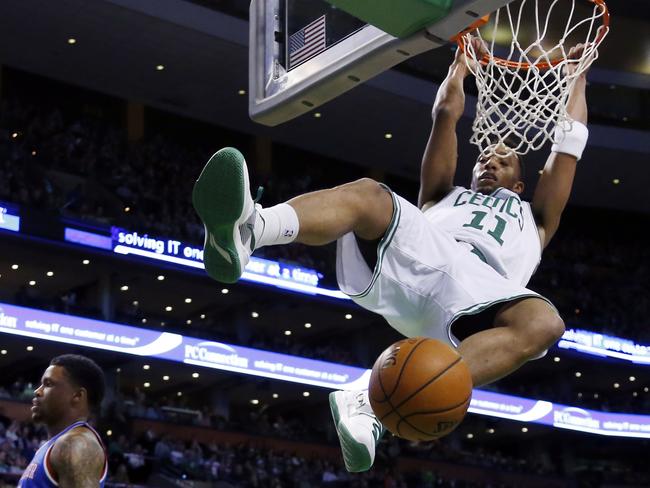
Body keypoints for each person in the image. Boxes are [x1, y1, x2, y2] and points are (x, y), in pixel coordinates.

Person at [192, 38, 591, 472]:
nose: (489, 163)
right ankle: (250, 231)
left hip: (480, 294)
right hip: (419, 262)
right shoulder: (444, 195)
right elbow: (445, 116)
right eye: (484, 159)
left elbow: (567, 147)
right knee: (368, 195)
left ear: (519, 184)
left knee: (545, 323)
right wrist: (459, 67)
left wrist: (578, 74)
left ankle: (369, 402)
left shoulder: (536, 218)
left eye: (504, 162)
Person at [18, 354, 108, 487]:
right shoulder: (56, 444)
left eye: (48, 384)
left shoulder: (76, 444)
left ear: (77, 396)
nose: (37, 391)